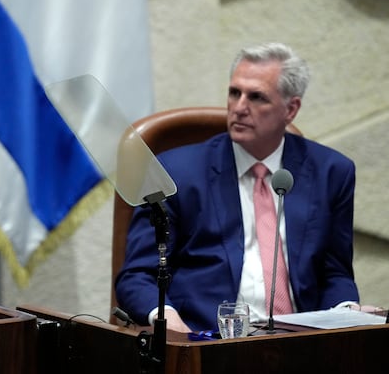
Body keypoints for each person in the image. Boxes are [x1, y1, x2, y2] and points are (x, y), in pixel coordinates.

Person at [115, 42, 362, 333]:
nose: (240, 107)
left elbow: (335, 272)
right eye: (235, 93)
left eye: (257, 97)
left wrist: (347, 310)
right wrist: (167, 319)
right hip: (205, 341)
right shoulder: (175, 173)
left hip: (300, 343)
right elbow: (137, 275)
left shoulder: (331, 172)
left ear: (291, 109)